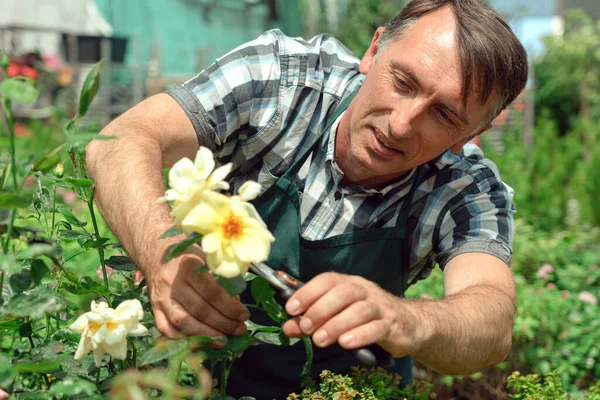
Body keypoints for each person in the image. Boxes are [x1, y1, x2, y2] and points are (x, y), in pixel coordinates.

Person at [86, 0, 528, 397]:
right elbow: (119, 140)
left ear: (471, 134)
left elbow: (490, 319)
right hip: (193, 368)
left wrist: (402, 320)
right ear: (373, 52)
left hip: (346, 387)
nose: (401, 124)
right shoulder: (285, 80)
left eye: (444, 114)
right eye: (403, 81)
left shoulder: (466, 188)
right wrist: (160, 250)